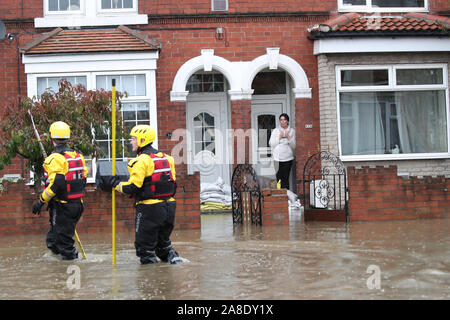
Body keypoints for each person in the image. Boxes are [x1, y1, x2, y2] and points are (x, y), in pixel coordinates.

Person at [106, 124, 182, 265]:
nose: (131, 142)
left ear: (142, 140)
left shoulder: (141, 161)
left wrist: (115, 184)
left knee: (145, 250)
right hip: (169, 207)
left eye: (133, 138)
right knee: (163, 247)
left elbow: (132, 187)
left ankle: (151, 282)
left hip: (150, 210)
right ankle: (172, 266)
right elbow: (173, 184)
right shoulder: (167, 158)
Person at [32, 121, 88, 260]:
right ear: (68, 138)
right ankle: (56, 267)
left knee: (64, 244)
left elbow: (56, 185)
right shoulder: (77, 156)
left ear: (51, 139)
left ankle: (71, 269)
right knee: (53, 239)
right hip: (76, 204)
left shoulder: (54, 159)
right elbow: (83, 179)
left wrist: (41, 201)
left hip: (64, 206)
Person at [269, 113, 296, 190]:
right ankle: (279, 195)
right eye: (281, 120)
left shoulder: (292, 131)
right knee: (279, 179)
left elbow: (294, 146)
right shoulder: (275, 131)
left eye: (284, 120)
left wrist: (288, 138)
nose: (282, 121)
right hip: (277, 159)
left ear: (287, 121)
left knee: (286, 178)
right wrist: (279, 138)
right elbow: (271, 144)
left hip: (288, 158)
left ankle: (287, 196)